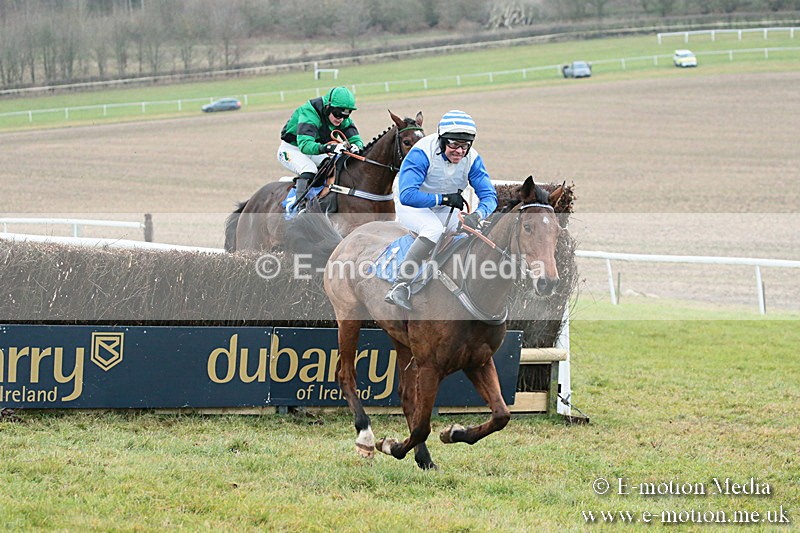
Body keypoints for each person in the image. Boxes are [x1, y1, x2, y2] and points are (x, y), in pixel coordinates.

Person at [384, 109, 498, 311]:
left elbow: (489, 196)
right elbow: (408, 195)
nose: (459, 151)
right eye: (454, 144)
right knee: (434, 230)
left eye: (464, 146)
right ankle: (400, 285)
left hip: (446, 206)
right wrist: (444, 198)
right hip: (412, 205)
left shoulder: (473, 159)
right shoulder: (421, 153)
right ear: (442, 140)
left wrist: (478, 215)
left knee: (472, 235)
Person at [277, 86, 365, 201]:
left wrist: (356, 146)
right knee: (310, 169)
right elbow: (305, 145)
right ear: (328, 107)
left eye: (346, 115)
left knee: (331, 167)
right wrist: (330, 147)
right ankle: (295, 205)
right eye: (338, 114)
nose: (341, 119)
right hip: (292, 149)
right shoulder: (310, 112)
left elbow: (356, 140)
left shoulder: (341, 118)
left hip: (315, 149)